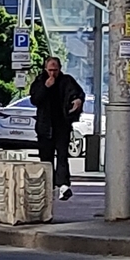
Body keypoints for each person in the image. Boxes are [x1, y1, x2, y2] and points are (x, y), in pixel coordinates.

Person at [29, 53, 86, 201]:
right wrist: (46, 87)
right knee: (46, 158)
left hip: (61, 125)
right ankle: (48, 185)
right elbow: (35, 99)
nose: (52, 73)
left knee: (62, 156)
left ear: (60, 69)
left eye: (55, 70)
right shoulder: (40, 81)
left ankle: (63, 186)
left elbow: (77, 93)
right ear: (45, 69)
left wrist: (77, 100)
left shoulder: (66, 81)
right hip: (44, 126)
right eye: (50, 70)